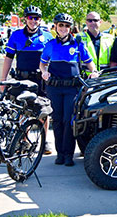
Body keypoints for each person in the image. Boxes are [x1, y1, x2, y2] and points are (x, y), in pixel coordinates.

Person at [40, 13, 99, 166]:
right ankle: (59, 154)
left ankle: (68, 155)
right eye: (61, 25)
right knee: (57, 121)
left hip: (72, 89)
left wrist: (93, 72)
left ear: (70, 28)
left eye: (67, 26)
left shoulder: (78, 45)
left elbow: (90, 64)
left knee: (69, 121)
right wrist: (44, 72)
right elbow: (43, 63)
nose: (64, 28)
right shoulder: (50, 45)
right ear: (55, 27)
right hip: (55, 88)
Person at [1, 5, 53, 155]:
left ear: (40, 20)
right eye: (30, 18)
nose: (33, 21)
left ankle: (45, 140)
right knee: (23, 111)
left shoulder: (47, 37)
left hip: (40, 80)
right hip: (22, 79)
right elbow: (8, 59)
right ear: (25, 19)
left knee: (43, 110)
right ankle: (23, 140)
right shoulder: (16, 35)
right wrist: (3, 79)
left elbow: (52, 59)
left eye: (36, 18)